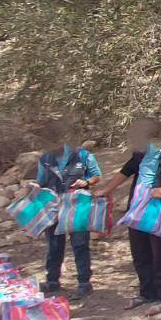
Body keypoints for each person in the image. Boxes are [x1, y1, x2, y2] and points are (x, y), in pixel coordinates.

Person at [97, 118, 161, 313]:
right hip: (137, 208)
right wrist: (106, 190)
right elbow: (125, 172)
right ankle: (147, 293)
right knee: (140, 252)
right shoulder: (140, 153)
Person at [31, 119, 102, 299]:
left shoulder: (83, 155)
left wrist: (86, 182)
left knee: (80, 244)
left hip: (77, 205)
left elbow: (96, 176)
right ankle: (52, 282)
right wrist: (33, 186)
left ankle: (84, 283)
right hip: (53, 206)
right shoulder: (45, 159)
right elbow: (40, 181)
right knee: (54, 245)